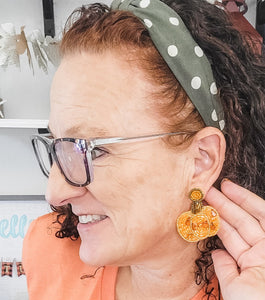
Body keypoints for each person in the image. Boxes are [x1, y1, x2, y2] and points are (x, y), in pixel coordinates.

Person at [22, 0, 265, 299]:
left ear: (201, 160)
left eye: (93, 150)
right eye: (59, 146)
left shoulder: (251, 288)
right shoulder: (49, 250)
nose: (55, 193)